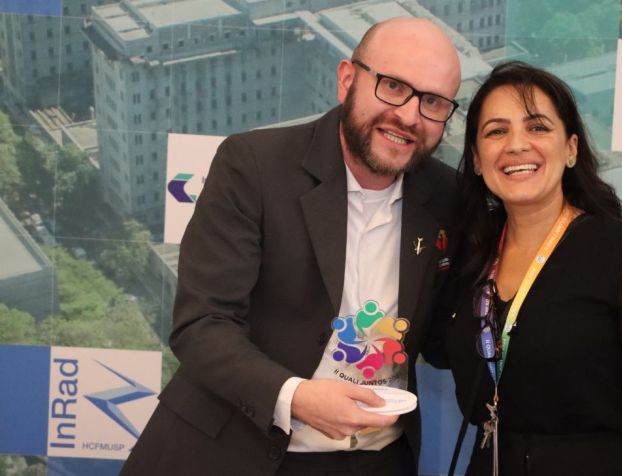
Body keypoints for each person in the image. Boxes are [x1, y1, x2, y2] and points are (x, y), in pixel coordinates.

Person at [120, 17, 462, 476]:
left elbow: (445, 339)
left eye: (433, 102)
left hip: (377, 459)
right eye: (393, 86)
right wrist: (295, 396)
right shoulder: (254, 165)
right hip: (233, 451)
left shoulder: (448, 197)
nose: (409, 115)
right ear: (347, 79)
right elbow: (202, 324)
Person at [439, 61, 622, 475]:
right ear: (476, 158)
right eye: (496, 132)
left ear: (572, 148)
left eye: (537, 127)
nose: (516, 145)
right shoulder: (471, 257)